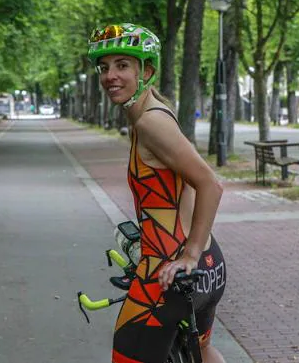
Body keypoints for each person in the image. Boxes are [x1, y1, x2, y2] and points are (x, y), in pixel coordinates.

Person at [88, 23, 227, 363]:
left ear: (146, 70)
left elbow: (210, 183)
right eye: (104, 67)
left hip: (166, 278)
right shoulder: (154, 114)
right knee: (203, 352)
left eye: (123, 65)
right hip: (209, 270)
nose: (110, 76)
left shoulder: (151, 123)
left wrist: (188, 255)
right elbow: (185, 191)